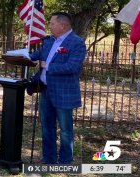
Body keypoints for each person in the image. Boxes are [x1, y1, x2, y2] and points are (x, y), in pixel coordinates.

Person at [29, 11, 86, 164]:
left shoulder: (76, 42)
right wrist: (18, 55)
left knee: (65, 130)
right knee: (47, 127)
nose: (50, 26)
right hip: (46, 90)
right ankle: (49, 158)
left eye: (52, 23)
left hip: (64, 92)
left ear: (62, 25)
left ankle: (66, 160)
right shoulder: (49, 41)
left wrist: (48, 66)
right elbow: (36, 55)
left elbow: (73, 66)